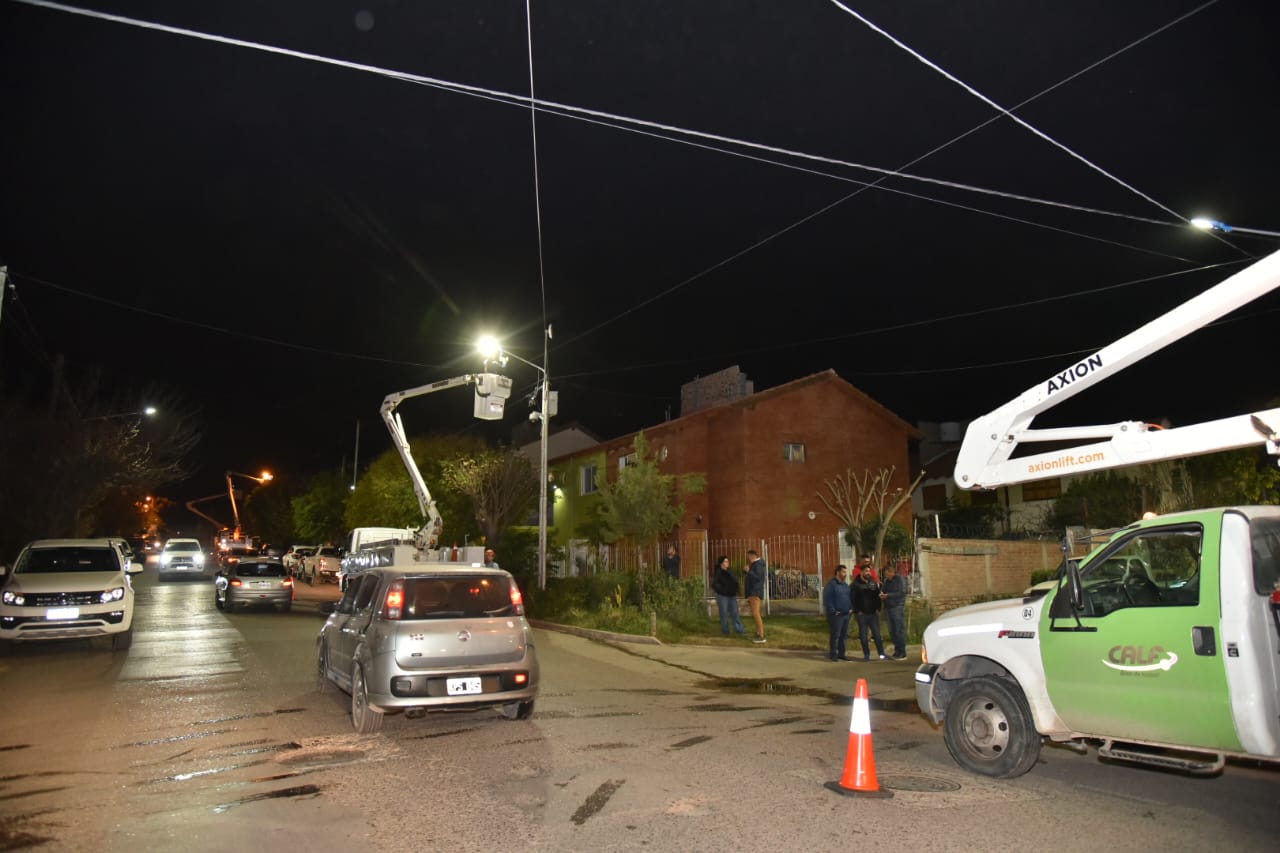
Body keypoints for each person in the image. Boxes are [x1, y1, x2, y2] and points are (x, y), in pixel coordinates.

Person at [852, 561, 887, 660]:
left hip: (873, 614)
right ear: (862, 572)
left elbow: (877, 596)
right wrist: (857, 611)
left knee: (877, 635)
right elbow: (853, 598)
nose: (868, 573)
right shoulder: (856, 584)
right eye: (866, 571)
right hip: (862, 615)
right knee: (863, 637)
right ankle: (866, 655)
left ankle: (882, 654)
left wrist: (878, 608)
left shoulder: (872, 582)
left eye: (869, 571)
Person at [822, 564, 854, 661]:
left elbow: (849, 597)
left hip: (846, 614)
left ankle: (842, 653)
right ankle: (833, 654)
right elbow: (827, 599)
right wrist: (833, 611)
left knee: (844, 635)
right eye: (843, 572)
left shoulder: (845, 585)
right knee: (836, 635)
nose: (845, 574)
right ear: (838, 572)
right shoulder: (831, 585)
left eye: (845, 572)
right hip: (837, 615)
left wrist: (851, 608)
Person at [710, 555, 746, 636]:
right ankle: (725, 630)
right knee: (724, 613)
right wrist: (722, 590)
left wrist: (736, 588)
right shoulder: (718, 572)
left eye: (728, 561)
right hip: (722, 596)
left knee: (735, 612)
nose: (728, 563)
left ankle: (739, 629)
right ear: (721, 563)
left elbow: (735, 580)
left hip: (732, 595)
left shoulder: (730, 571)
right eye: (726, 561)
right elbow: (714, 584)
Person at [881, 563, 908, 659]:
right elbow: (883, 590)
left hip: (897, 606)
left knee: (898, 629)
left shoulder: (899, 580)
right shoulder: (886, 582)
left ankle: (902, 651)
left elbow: (902, 592)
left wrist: (888, 595)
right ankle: (897, 650)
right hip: (889, 607)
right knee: (892, 630)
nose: (885, 575)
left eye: (886, 573)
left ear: (891, 572)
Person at [744, 549, 767, 643]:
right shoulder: (757, 564)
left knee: (756, 613)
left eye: (748, 556)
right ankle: (758, 633)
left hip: (755, 592)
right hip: (753, 592)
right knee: (756, 613)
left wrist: (749, 571)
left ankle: (761, 636)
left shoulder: (758, 565)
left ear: (752, 556)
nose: (748, 558)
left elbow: (758, 578)